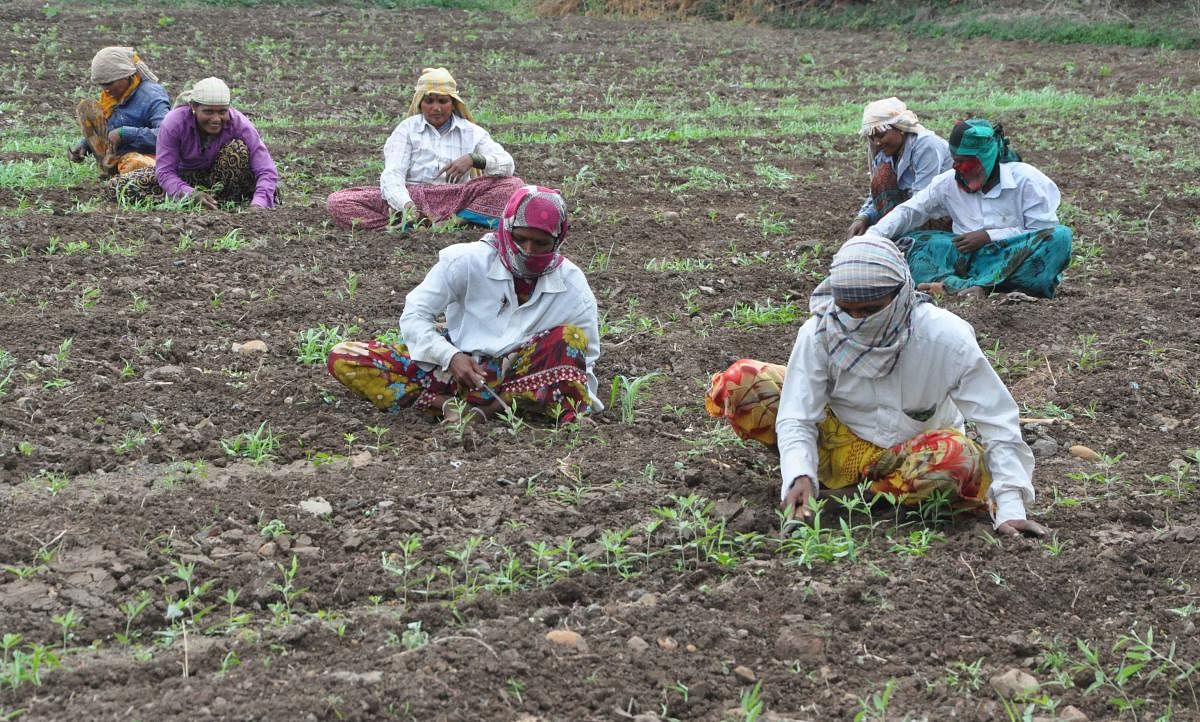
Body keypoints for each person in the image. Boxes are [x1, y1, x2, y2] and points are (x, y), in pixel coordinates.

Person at [705, 236, 1047, 538]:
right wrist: (799, 474)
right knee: (741, 383)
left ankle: (851, 498)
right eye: (847, 310)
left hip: (909, 457)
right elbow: (797, 416)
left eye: (870, 309)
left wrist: (1011, 507)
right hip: (836, 441)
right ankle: (815, 487)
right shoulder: (821, 330)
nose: (857, 322)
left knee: (960, 459)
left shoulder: (946, 338)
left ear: (900, 295)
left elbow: (996, 421)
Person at [327, 185, 601, 424]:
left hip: (517, 376)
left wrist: (571, 396)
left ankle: (488, 409)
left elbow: (583, 359)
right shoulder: (466, 261)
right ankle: (446, 404)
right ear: (505, 228)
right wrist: (449, 356)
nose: (527, 251)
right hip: (455, 371)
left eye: (540, 244)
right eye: (520, 239)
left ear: (558, 240)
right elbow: (414, 315)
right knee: (346, 356)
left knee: (570, 338)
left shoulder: (572, 285)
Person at [868, 118, 1072, 299]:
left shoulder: (1027, 180)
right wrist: (870, 239)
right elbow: (910, 210)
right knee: (911, 242)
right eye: (954, 160)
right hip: (964, 257)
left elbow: (1041, 232)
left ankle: (962, 286)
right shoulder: (948, 182)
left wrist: (989, 236)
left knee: (1060, 238)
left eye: (963, 162)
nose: (955, 167)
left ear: (985, 158)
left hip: (1010, 255)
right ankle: (982, 288)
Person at [326, 67, 523, 231]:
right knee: (338, 201)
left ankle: (453, 222)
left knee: (514, 184)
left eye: (443, 101)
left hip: (457, 196)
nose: (436, 108)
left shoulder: (470, 132)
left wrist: (475, 159)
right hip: (413, 196)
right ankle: (415, 223)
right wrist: (406, 205)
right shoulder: (407, 130)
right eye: (429, 101)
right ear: (420, 103)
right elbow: (392, 175)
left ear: (453, 104)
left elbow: (507, 164)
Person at [112, 77, 279, 210]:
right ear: (193, 107)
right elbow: (165, 172)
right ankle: (200, 199)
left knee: (237, 149)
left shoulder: (239, 123)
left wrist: (259, 204)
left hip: (227, 177)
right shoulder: (174, 123)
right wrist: (190, 194)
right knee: (118, 186)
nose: (216, 119)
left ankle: (225, 199)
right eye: (208, 112)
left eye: (222, 112)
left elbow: (265, 167)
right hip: (187, 176)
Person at [847, 97, 951, 239]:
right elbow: (877, 194)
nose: (876, 142)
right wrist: (863, 217)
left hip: (938, 213)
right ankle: (896, 236)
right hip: (908, 210)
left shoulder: (926, 146)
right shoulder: (884, 152)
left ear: (900, 129)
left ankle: (907, 239)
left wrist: (884, 229)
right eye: (872, 138)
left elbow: (922, 201)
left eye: (881, 135)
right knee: (881, 177)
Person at [69, 47, 169, 178]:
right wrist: (84, 146)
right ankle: (109, 168)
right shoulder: (112, 97)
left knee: (135, 164)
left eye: (109, 83)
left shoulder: (152, 96)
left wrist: (124, 133)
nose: (106, 90)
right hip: (118, 156)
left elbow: (167, 135)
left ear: (127, 76)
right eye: (102, 85)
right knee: (87, 108)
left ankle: (124, 173)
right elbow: (107, 128)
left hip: (147, 155)